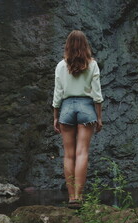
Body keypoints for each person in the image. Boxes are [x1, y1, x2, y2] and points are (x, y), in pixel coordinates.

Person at [52, 30, 103, 205]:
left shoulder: (60, 65)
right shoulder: (92, 64)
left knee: (68, 155)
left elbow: (57, 94)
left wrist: (55, 116)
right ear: (85, 45)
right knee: (82, 153)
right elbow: (97, 94)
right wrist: (99, 117)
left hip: (66, 108)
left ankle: (70, 196)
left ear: (67, 45)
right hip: (87, 108)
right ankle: (79, 198)